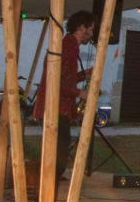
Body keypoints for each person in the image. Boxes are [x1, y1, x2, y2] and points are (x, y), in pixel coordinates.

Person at [32, 10, 97, 180]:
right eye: (91, 29)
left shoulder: (68, 45)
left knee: (58, 157)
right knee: (58, 159)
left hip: (56, 108)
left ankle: (45, 187)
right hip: (54, 108)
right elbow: (58, 81)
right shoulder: (68, 46)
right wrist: (81, 93)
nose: (92, 35)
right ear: (82, 27)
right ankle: (43, 191)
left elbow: (64, 77)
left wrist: (84, 75)